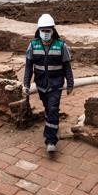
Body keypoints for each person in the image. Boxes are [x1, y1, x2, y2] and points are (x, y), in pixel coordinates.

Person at [23, 14, 74, 153]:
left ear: (53, 31)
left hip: (56, 85)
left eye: (48, 31)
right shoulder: (33, 45)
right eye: (43, 30)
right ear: (39, 31)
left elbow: (67, 67)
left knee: (52, 109)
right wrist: (26, 84)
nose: (45, 33)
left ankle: (50, 140)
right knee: (49, 109)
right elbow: (28, 67)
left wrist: (70, 84)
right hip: (41, 85)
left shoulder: (61, 46)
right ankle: (52, 125)